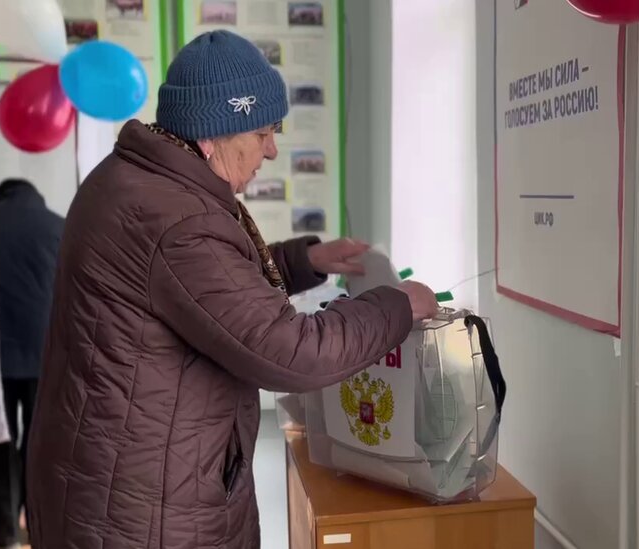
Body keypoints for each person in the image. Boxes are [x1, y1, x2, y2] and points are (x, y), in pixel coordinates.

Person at [25, 30, 438, 549]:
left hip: (112, 483)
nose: (271, 149)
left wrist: (302, 260)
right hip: (146, 512)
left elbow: (199, 296)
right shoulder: (177, 219)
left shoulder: (133, 179)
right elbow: (293, 354)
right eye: (263, 131)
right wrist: (399, 304)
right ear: (212, 134)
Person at [0, 179, 63, 548]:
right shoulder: (59, 225)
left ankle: (3, 529)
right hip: (45, 353)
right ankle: (39, 524)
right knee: (42, 443)